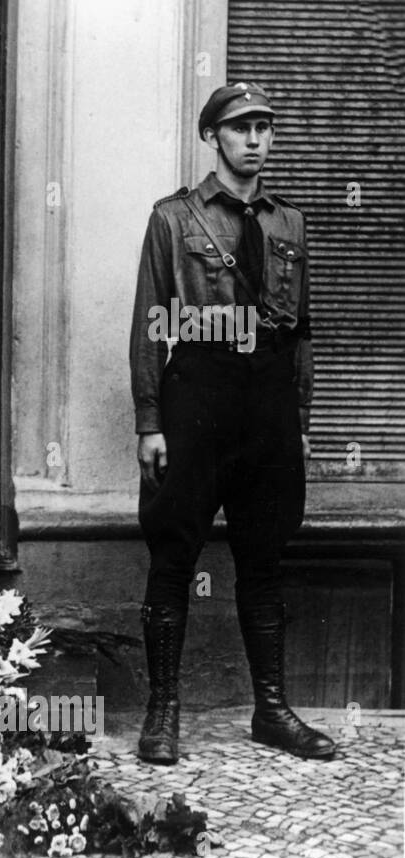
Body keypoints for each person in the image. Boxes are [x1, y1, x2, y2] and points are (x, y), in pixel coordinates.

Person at [128, 82, 335, 764]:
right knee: (173, 555)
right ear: (212, 136)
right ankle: (163, 712)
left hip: (268, 406)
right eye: (241, 127)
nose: (256, 139)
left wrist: (299, 419)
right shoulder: (174, 219)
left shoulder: (289, 224)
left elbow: (300, 331)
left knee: (263, 558)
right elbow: (150, 325)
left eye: (265, 128)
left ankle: (271, 709)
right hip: (197, 399)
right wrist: (150, 420)